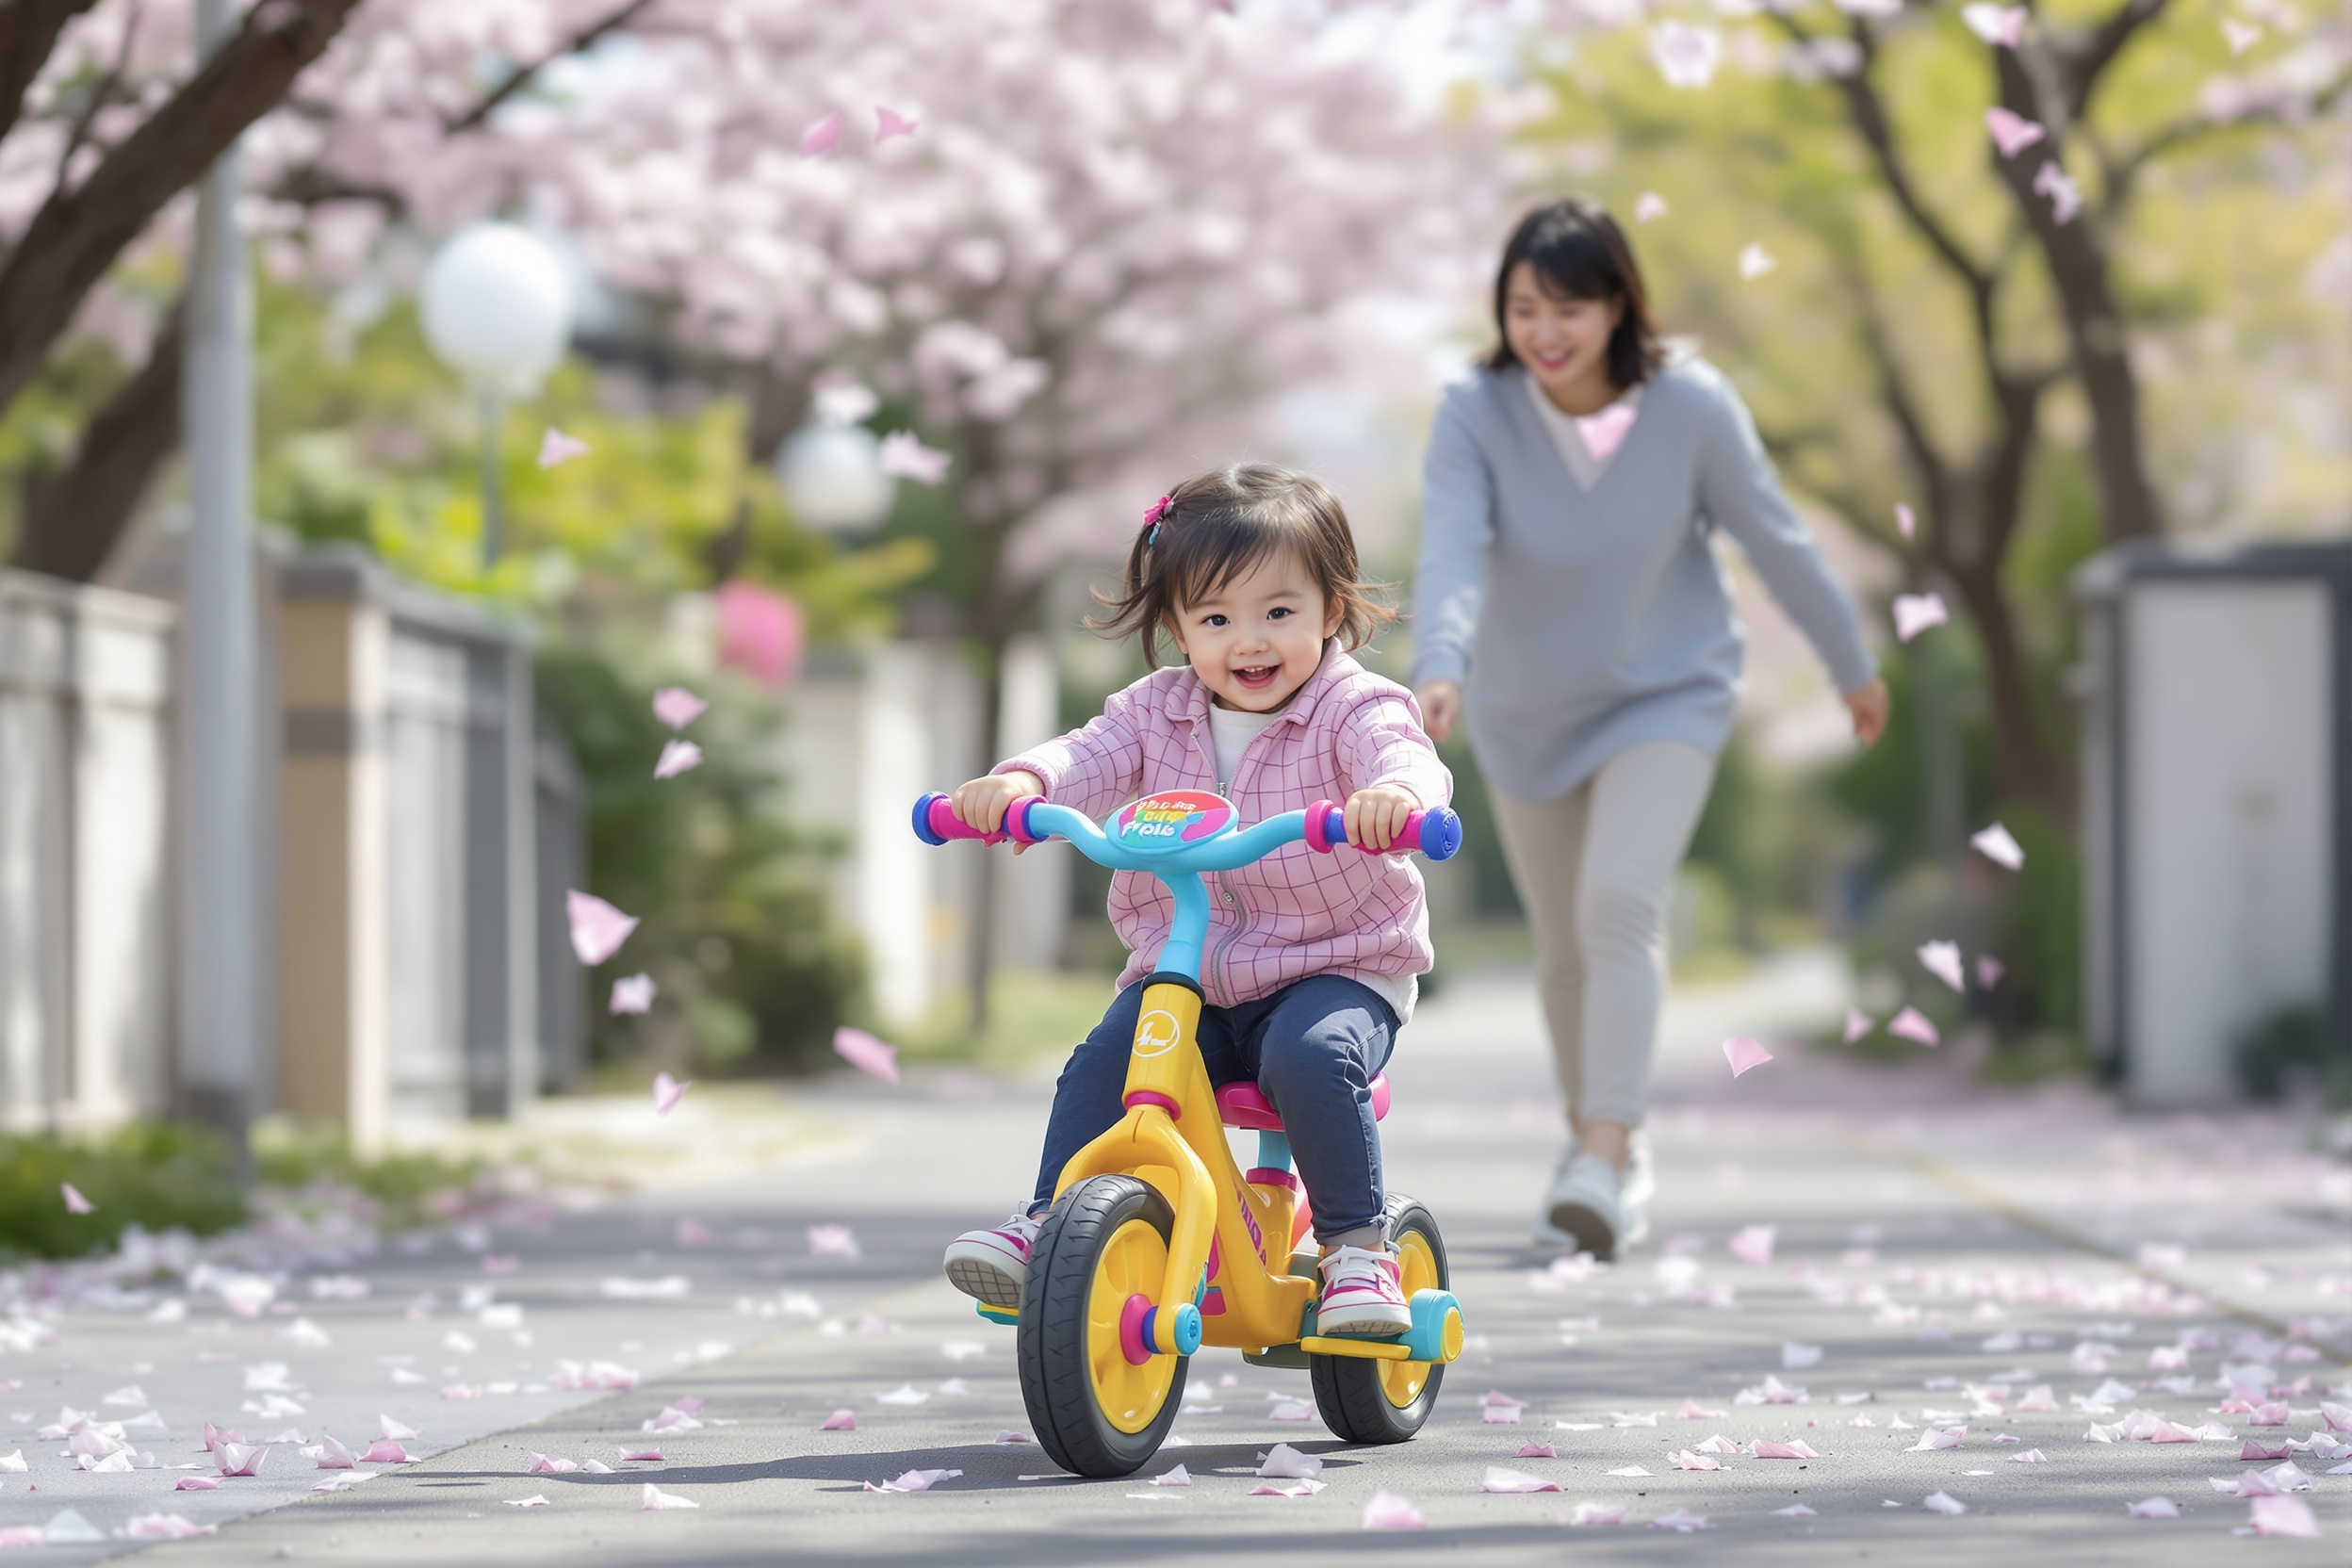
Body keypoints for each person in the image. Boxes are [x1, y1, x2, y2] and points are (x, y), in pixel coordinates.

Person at [1410, 197, 1887, 1261]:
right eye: (1524, 306)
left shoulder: (1691, 408)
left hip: (1666, 693)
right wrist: (1439, 669)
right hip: (1528, 709)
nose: (1545, 330)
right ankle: (1597, 1143)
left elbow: (1776, 536)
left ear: (1620, 304)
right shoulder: (1474, 412)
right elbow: (1451, 547)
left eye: (1569, 307)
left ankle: (1606, 1153)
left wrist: (1849, 662)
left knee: (1619, 901)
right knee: (1563, 947)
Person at [939, 464, 1452, 1334]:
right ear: (1177, 626)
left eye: (1278, 613)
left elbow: (1404, 756)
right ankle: (1046, 1225)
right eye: (1216, 618)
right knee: (1107, 1062)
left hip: (1335, 967)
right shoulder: (1153, 712)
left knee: (1310, 1053)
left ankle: (1358, 1254)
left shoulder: (1354, 706)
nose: (1248, 642)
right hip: (1193, 976)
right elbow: (1087, 754)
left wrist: (1396, 803)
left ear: (1331, 610)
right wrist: (1020, 781)